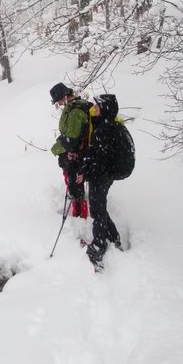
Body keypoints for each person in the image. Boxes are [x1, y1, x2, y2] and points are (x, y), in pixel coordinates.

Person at [80, 94, 123, 270]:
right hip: (105, 174)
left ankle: (98, 246)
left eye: (97, 106)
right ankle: (114, 237)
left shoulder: (106, 130)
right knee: (100, 207)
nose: (94, 108)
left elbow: (99, 159)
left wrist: (86, 172)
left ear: (104, 109)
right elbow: (96, 156)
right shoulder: (107, 125)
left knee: (97, 210)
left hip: (102, 176)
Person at [49, 82, 92, 220]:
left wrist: (55, 149)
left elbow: (72, 138)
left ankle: (81, 217)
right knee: (74, 185)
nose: (59, 104)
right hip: (75, 152)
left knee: (76, 187)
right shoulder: (74, 107)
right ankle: (78, 213)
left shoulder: (75, 111)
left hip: (77, 154)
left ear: (65, 96)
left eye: (59, 100)